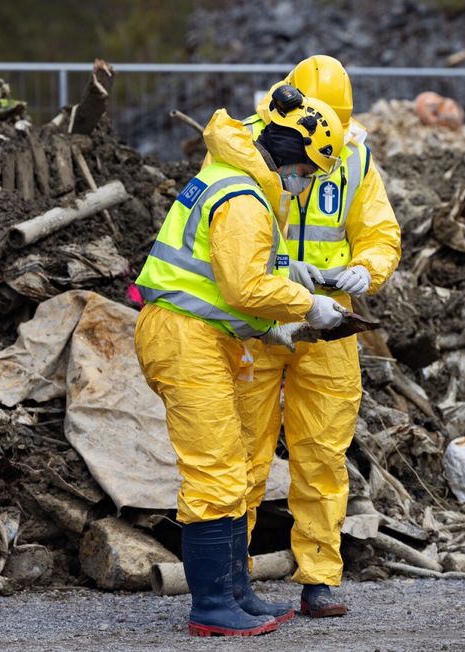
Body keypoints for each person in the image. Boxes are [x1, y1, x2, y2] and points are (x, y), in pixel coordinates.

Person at [134, 86, 347, 636]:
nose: (303, 182)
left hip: (200, 335)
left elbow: (226, 290)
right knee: (214, 468)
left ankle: (234, 591)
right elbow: (244, 285)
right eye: (305, 170)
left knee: (228, 462)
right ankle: (211, 605)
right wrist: (308, 305)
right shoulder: (245, 198)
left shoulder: (234, 180)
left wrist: (275, 328)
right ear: (291, 157)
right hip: (187, 338)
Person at [232, 55, 401, 617]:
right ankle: (234, 575)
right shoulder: (253, 148)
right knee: (244, 449)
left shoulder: (354, 155)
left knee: (322, 452)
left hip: (330, 321)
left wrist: (367, 269)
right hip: (262, 316)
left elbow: (380, 233)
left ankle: (319, 578)